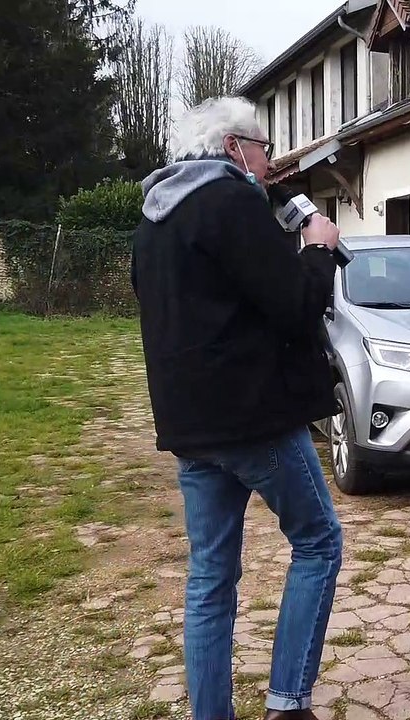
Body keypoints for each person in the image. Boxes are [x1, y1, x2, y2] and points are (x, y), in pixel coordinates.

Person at [130, 96, 344, 720]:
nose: (271, 163)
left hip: (191, 428)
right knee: (319, 542)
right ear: (232, 149)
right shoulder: (233, 201)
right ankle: (288, 701)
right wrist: (319, 247)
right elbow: (295, 306)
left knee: (210, 582)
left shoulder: (155, 221)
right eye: (264, 149)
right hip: (253, 420)